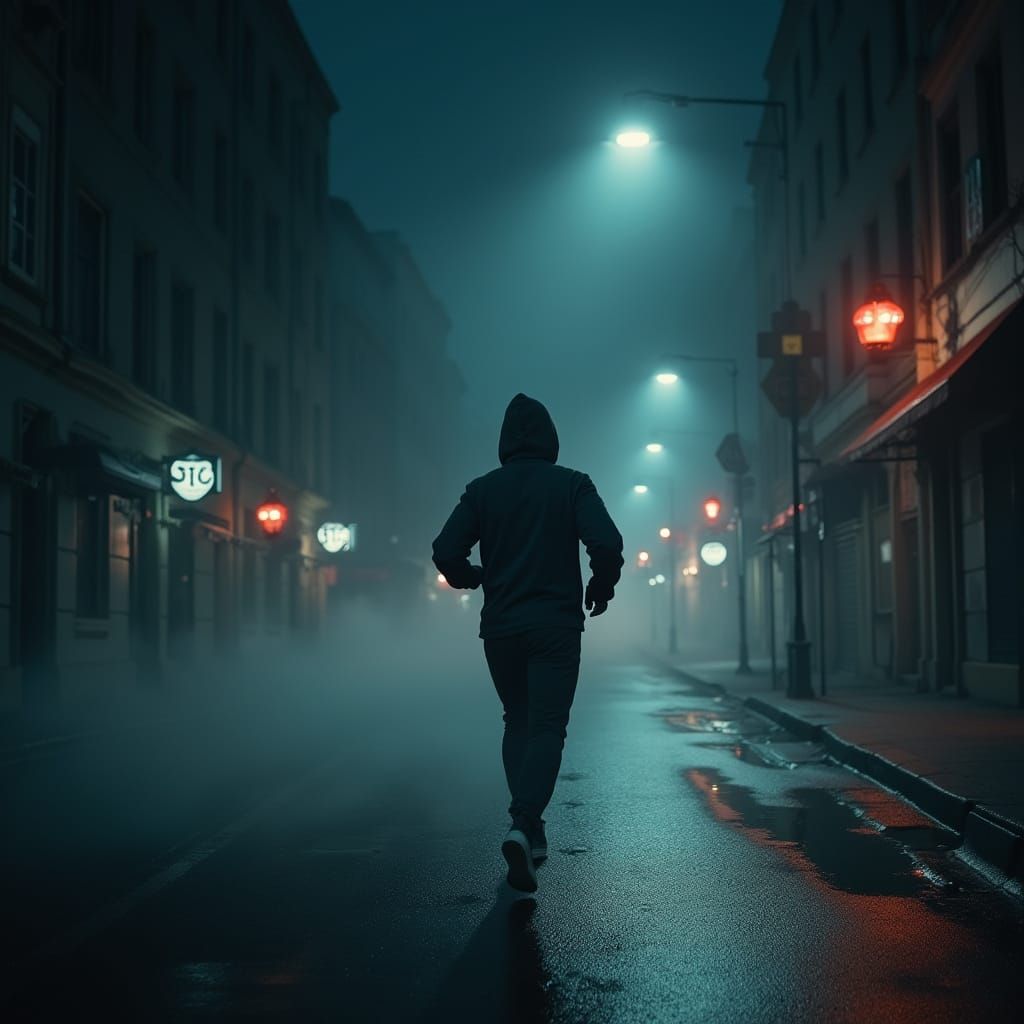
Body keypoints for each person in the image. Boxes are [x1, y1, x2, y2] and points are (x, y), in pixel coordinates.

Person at [432, 393, 623, 892]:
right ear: (550, 438)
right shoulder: (572, 486)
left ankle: (529, 829)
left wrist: (474, 577)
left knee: (517, 720)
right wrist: (599, 586)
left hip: (501, 628)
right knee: (547, 725)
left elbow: (445, 550)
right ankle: (523, 822)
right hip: (556, 626)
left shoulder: (482, 491)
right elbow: (605, 542)